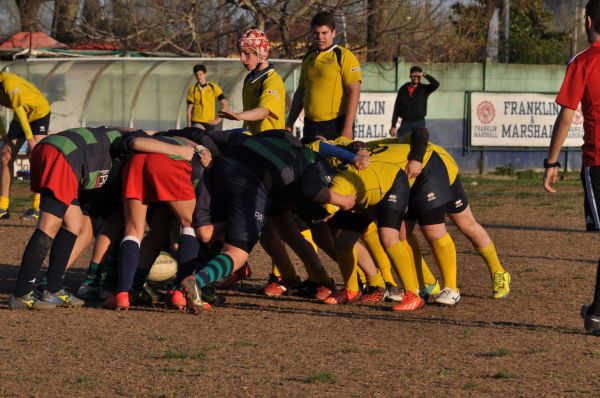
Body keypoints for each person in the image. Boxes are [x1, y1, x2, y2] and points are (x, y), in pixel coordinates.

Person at [7, 127, 196, 310]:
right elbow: (137, 140)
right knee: (48, 225)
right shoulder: (133, 140)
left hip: (57, 151)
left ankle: (54, 289)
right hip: (64, 155)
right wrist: (182, 150)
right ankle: (21, 293)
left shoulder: (115, 141)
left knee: (73, 223)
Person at [543, 0, 600, 335]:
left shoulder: (584, 62)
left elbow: (566, 115)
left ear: (588, 20)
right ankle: (595, 312)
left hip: (597, 162)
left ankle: (595, 314)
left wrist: (551, 162)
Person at [286, 10, 362, 143]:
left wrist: (348, 127)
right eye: (316, 33)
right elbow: (301, 91)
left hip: (335, 125)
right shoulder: (309, 57)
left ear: (333, 32)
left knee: (334, 163)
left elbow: (354, 91)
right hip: (310, 125)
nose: (320, 37)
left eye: (324, 33)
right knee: (309, 163)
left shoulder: (343, 56)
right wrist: (289, 122)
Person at [0, 72, 51, 221]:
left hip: (38, 112)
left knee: (35, 154)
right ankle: (3, 207)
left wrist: (30, 139)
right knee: (6, 156)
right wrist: (4, 137)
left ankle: (38, 206)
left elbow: (20, 110)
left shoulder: (9, 83)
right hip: (20, 116)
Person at [219, 29, 286, 135]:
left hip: (270, 142)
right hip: (252, 139)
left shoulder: (273, 80)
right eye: (240, 53)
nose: (242, 58)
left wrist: (239, 116)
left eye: (246, 53)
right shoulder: (249, 79)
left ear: (261, 53)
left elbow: (263, 111)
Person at [389, 66, 439, 138]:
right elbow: (396, 108)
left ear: (420, 76)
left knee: (419, 145)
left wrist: (424, 74)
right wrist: (393, 125)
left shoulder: (424, 89)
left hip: (419, 123)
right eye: (413, 76)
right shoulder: (403, 89)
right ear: (410, 76)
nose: (416, 78)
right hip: (406, 123)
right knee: (401, 142)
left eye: (418, 76)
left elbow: (436, 84)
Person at [186, 64, 228, 131]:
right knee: (199, 136)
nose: (199, 77)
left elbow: (225, 103)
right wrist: (189, 126)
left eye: (201, 74)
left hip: (209, 122)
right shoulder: (192, 89)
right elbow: (189, 110)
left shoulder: (213, 87)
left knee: (208, 140)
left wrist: (218, 119)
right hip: (196, 121)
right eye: (197, 75)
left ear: (205, 74)